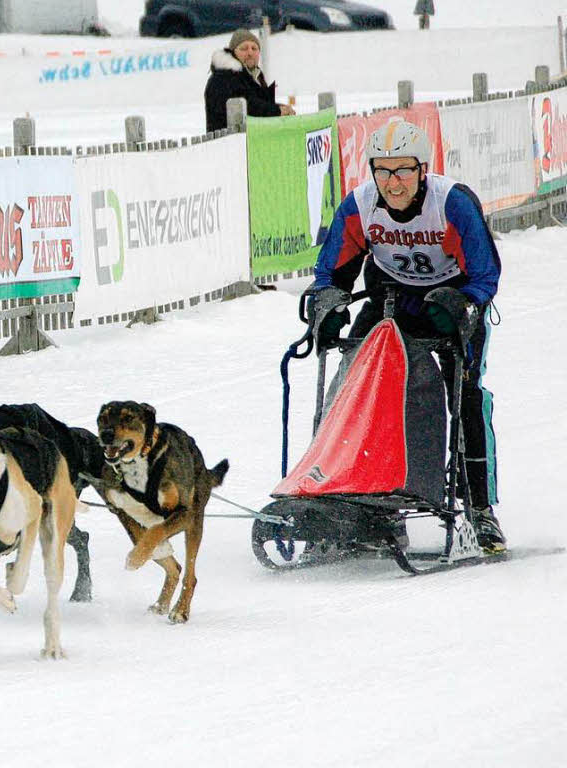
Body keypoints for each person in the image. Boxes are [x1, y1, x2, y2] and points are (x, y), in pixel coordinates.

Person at [311, 119, 504, 552]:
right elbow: (331, 271)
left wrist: (462, 305)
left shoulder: (452, 202)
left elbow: (486, 273)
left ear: (422, 170)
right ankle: (354, 495)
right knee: (354, 385)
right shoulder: (360, 205)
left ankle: (479, 508)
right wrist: (326, 305)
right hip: (390, 297)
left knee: (467, 393)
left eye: (403, 171)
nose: (393, 183)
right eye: (383, 171)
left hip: (451, 300)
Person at [204, 29, 294, 132]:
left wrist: (281, 108)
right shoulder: (224, 76)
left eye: (254, 48)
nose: (250, 52)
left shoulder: (252, 77)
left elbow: (258, 103)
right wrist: (277, 110)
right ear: (233, 52)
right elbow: (247, 105)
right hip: (228, 144)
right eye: (244, 48)